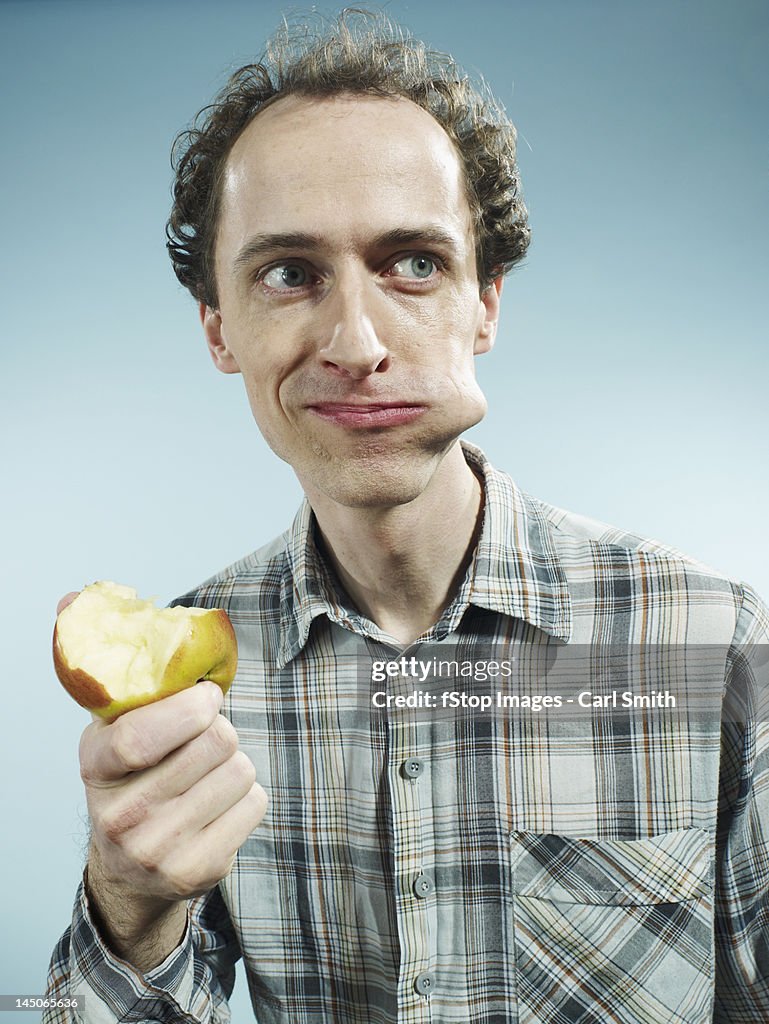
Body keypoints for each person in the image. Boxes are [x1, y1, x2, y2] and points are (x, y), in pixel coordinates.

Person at [44, 10, 768, 1023]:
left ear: (486, 304)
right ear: (219, 326)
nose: (354, 342)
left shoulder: (714, 638)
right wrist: (131, 902)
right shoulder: (191, 679)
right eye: (289, 274)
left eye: (413, 264)